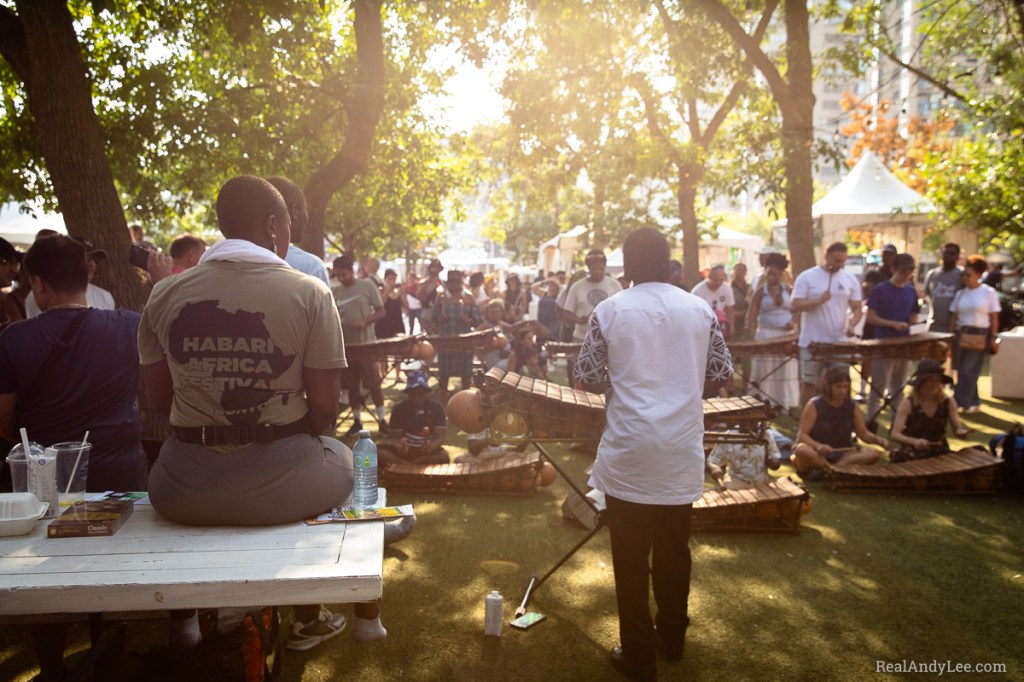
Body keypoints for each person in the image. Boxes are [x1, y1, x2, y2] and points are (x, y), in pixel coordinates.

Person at [139, 176, 382, 652]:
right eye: (290, 224)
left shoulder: (163, 295)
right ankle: (342, 613)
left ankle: (185, 619)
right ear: (274, 226)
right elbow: (326, 414)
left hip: (180, 488)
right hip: (286, 486)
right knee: (346, 458)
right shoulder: (311, 293)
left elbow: (161, 404)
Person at [575, 227, 733, 681]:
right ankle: (673, 639)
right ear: (668, 263)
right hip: (680, 448)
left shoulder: (610, 309)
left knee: (629, 558)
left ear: (626, 264)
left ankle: (639, 656)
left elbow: (586, 372)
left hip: (630, 450)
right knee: (674, 552)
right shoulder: (700, 308)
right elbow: (721, 370)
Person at [0, 235, 150, 682]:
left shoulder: (13, 339)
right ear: (88, 276)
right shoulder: (129, 325)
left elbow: (5, 420)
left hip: (45, 481)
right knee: (117, 572)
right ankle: (111, 661)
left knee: (45, 577)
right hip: (121, 472)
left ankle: (52, 669)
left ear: (38, 283)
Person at [791, 242, 863, 408]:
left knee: (841, 383)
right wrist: (818, 301)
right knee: (809, 383)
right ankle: (806, 422)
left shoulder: (849, 279)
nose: (839, 265)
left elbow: (857, 308)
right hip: (811, 342)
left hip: (839, 342)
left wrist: (852, 324)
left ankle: (840, 420)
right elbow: (795, 304)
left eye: (843, 261)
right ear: (826, 256)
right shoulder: (807, 276)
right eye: (837, 260)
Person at [790, 367, 887, 478]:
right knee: (802, 450)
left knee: (873, 454)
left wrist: (877, 440)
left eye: (845, 386)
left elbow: (863, 433)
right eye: (838, 387)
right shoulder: (814, 404)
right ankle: (833, 469)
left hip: (843, 454)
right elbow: (802, 435)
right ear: (829, 387)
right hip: (817, 452)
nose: (842, 391)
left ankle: (829, 470)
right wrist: (818, 446)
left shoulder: (852, 406)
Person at [332, 254, 387, 434]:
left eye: (344, 274)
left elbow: (381, 312)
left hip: (366, 346)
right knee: (351, 386)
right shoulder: (336, 291)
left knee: (374, 383)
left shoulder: (367, 285)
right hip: (346, 348)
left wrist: (365, 321)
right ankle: (357, 421)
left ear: (352, 271)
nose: (341, 278)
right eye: (338, 275)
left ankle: (381, 420)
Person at [865, 253, 921, 422]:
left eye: (909, 272)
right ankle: (871, 421)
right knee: (878, 386)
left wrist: (914, 324)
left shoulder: (911, 290)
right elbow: (870, 316)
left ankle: (896, 421)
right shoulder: (880, 289)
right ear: (893, 269)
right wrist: (892, 324)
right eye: (902, 271)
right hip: (884, 343)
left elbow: (913, 314)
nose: (906, 275)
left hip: (904, 345)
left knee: (899, 387)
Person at [889, 359, 980, 462]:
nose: (934, 384)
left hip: (939, 449)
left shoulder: (948, 402)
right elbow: (895, 434)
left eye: (937, 381)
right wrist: (915, 442)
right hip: (913, 450)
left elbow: (957, 429)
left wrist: (962, 432)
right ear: (921, 383)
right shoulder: (908, 403)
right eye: (930, 380)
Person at [746, 252, 799, 410]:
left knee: (784, 366)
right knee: (766, 367)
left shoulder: (789, 290)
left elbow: (798, 310)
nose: (771, 277)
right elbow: (752, 312)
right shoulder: (760, 292)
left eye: (775, 274)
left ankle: (784, 401)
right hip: (766, 334)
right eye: (769, 274)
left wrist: (793, 322)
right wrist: (749, 326)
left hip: (785, 335)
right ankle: (763, 399)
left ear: (781, 274)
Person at [949, 255, 1001, 414]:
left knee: (968, 369)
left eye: (968, 274)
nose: (965, 278)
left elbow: (994, 317)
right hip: (961, 333)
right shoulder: (961, 293)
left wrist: (993, 337)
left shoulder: (988, 292)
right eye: (964, 274)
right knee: (962, 369)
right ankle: (974, 401)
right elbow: (954, 316)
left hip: (979, 334)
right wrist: (951, 336)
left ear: (978, 274)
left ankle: (959, 402)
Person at [25, 237, 115, 317]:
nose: (91, 264)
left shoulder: (105, 296)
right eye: (86, 258)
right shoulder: (41, 294)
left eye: (95, 260)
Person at [267, 175, 331, 286]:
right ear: (294, 211)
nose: (306, 217)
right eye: (305, 209)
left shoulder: (234, 262)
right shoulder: (312, 267)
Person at [377, 370, 448, 467]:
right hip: (403, 454)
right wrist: (400, 446)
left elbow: (439, 438)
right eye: (413, 394)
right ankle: (412, 467)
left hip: (427, 454)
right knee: (376, 453)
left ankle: (405, 467)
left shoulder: (437, 408)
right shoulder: (398, 409)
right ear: (408, 393)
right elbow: (395, 439)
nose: (417, 397)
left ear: (427, 393)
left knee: (443, 457)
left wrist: (431, 447)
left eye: (420, 394)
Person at [431, 270, 481, 397]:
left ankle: (465, 402)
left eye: (456, 281)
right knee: (443, 376)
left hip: (464, 343)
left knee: (465, 375)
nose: (453, 284)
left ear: (461, 282)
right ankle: (444, 401)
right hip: (446, 342)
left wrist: (468, 320)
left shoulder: (469, 297)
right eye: (451, 281)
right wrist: (439, 319)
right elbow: (433, 319)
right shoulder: (441, 297)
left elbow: (477, 321)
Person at [706, 436, 785, 489]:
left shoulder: (765, 434)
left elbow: (775, 458)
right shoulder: (727, 436)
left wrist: (774, 463)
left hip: (763, 480)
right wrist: (714, 469)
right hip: (736, 480)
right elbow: (712, 461)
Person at [923, 243, 962, 333]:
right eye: (945, 253)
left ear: (957, 256)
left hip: (953, 327)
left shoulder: (961, 275)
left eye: (952, 253)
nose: (948, 256)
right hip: (933, 325)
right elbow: (927, 295)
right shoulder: (932, 274)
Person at [691, 265, 735, 338]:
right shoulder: (697, 291)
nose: (718, 283)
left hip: (721, 324)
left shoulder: (727, 289)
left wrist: (731, 326)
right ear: (709, 277)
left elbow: (729, 310)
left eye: (721, 280)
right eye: (716, 280)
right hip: (703, 324)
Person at [416, 258, 444, 333]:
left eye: (438, 267)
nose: (436, 269)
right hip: (427, 313)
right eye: (434, 267)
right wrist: (428, 282)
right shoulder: (423, 282)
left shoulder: (443, 283)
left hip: (439, 314)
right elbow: (419, 295)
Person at [531, 276, 561, 343]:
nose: (551, 287)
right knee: (539, 340)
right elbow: (533, 287)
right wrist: (544, 281)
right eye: (550, 285)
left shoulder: (559, 296)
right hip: (541, 320)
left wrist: (556, 282)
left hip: (552, 322)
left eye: (553, 286)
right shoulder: (544, 293)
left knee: (550, 339)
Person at [730, 262, 751, 338]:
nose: (739, 273)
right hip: (734, 321)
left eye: (741, 271)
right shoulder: (728, 289)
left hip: (747, 320)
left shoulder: (750, 288)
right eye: (737, 270)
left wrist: (745, 313)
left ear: (745, 273)